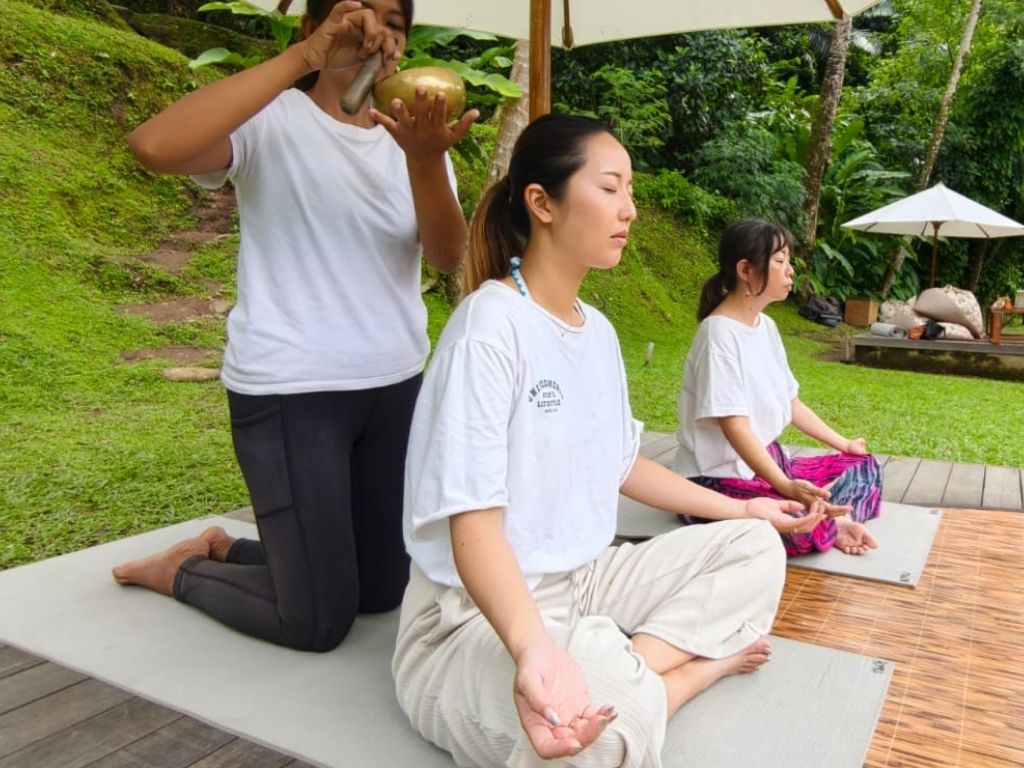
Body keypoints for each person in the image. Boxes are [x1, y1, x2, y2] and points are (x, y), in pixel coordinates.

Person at [391, 115, 825, 768]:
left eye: (631, 192)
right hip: (469, 620)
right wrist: (534, 649)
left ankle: (619, 675)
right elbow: (472, 527)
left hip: (587, 581)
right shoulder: (488, 328)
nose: (630, 210)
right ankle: (674, 677)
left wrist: (746, 508)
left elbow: (622, 464)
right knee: (585, 737)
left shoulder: (596, 332)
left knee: (757, 547)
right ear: (542, 202)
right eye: (611, 187)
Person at [111, 0, 478, 651]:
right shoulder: (268, 120)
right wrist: (304, 62)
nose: (376, 34)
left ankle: (227, 548)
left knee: (380, 593)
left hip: (392, 386)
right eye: (356, 13)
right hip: (290, 393)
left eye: (394, 21)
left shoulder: (416, 137)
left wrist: (424, 160)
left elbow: (449, 255)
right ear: (314, 27)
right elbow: (152, 145)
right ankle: (183, 570)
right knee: (315, 622)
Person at [674, 218, 882, 558]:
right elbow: (735, 428)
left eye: (789, 262)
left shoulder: (766, 327)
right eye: (780, 261)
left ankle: (827, 518)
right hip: (718, 481)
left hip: (771, 464)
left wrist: (844, 444)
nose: (790, 272)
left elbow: (792, 403)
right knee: (797, 526)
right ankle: (832, 523)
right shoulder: (718, 336)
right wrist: (784, 486)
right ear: (745, 269)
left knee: (866, 466)